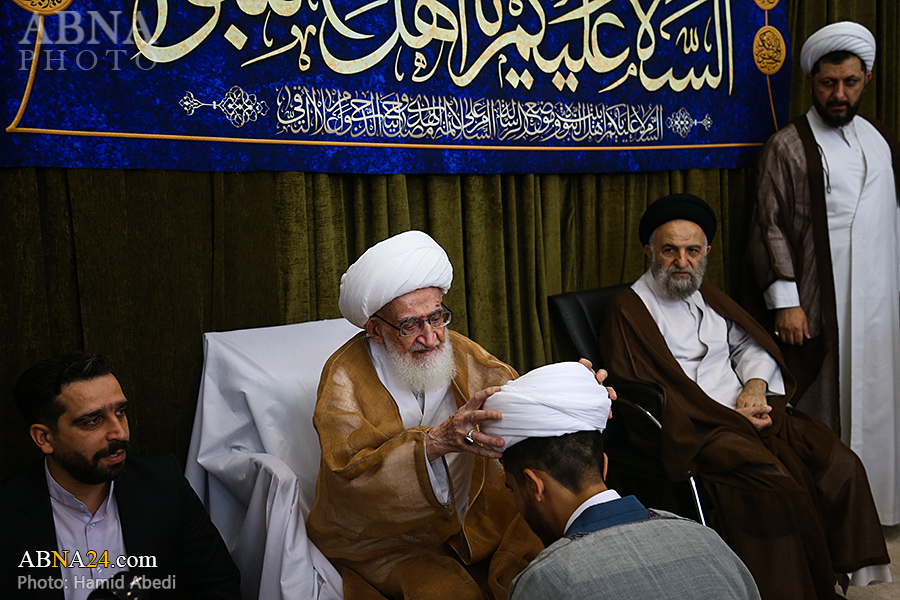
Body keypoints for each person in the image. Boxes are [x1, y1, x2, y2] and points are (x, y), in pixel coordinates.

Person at [602, 194, 890, 600]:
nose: (681, 262)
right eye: (669, 250)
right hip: (693, 425)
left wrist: (755, 386)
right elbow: (645, 385)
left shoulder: (707, 295)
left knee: (838, 461)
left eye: (692, 251)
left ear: (706, 253)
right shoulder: (628, 309)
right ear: (650, 251)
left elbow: (749, 346)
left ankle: (829, 574)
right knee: (775, 486)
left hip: (746, 406)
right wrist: (732, 418)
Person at [305, 230, 543, 600]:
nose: (431, 338)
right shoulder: (343, 377)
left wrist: (575, 393)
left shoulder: (461, 351)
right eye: (411, 325)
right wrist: (432, 443)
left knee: (539, 568)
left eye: (436, 318)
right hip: (388, 540)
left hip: (477, 516)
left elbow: (512, 398)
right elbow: (348, 479)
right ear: (376, 329)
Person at [745, 21, 900, 526]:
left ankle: (883, 507)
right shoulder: (788, 145)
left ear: (867, 78)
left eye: (849, 82)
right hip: (821, 305)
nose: (839, 93)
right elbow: (768, 225)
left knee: (883, 399)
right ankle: (835, 518)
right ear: (812, 80)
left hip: (883, 303)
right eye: (828, 83)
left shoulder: (881, 140)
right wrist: (786, 299)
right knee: (824, 404)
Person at [480, 361, 761, 600]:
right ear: (604, 466)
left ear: (534, 485)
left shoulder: (543, 582)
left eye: (512, 488)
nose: (515, 501)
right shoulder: (709, 542)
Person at [2, 351, 242, 600]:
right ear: (45, 437)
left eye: (120, 412)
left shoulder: (163, 484)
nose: (119, 432)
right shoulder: (8, 514)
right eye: (93, 421)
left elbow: (218, 584)